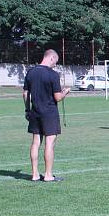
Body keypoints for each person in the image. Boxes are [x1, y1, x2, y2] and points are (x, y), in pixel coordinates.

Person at [23, 49, 70, 182]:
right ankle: (48, 175)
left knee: (36, 142)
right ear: (50, 58)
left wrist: (27, 110)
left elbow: (25, 94)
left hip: (35, 112)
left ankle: (35, 174)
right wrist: (65, 92)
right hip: (49, 113)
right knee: (50, 143)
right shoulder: (53, 75)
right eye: (55, 61)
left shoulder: (30, 72)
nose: (55, 64)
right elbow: (57, 97)